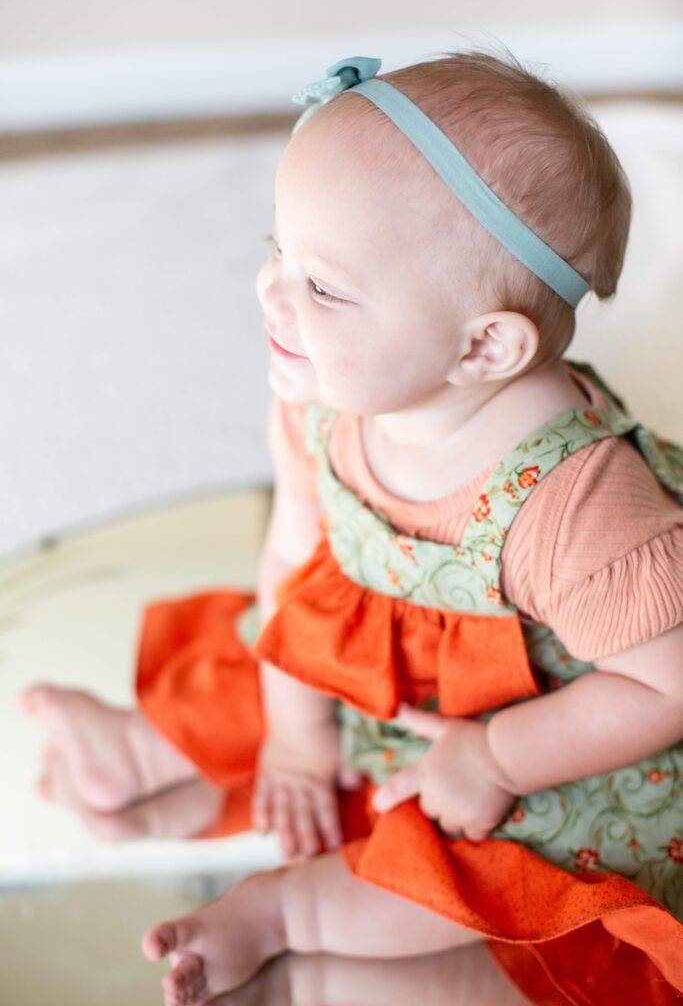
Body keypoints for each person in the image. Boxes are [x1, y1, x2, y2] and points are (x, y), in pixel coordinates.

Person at [20, 50, 683, 1005]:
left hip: (549, 721)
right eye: (277, 248)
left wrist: (494, 756)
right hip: (395, 661)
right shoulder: (322, 400)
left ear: (484, 345)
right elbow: (296, 567)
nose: (270, 290)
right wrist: (295, 734)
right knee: (251, 656)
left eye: (323, 287)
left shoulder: (581, 514)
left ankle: (289, 914)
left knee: (490, 873)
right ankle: (141, 746)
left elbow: (661, 685)